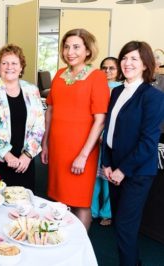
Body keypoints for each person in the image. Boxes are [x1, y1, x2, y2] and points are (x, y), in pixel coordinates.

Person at [101, 41, 164, 266]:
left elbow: (148, 142)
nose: (127, 63)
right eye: (125, 58)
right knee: (121, 224)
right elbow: (111, 131)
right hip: (114, 168)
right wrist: (107, 163)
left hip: (136, 173)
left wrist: (122, 170)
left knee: (126, 227)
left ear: (146, 65)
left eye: (134, 59)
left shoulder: (152, 96)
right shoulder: (117, 91)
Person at [41, 28, 110, 231]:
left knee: (80, 202)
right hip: (58, 147)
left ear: (88, 51)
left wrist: (83, 155)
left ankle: (80, 251)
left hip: (82, 149)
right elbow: (50, 110)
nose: (70, 51)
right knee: (58, 199)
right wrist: (45, 143)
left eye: (77, 47)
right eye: (67, 46)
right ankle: (60, 243)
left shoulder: (96, 77)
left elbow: (100, 120)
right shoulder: (60, 74)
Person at [0, 44, 45, 191]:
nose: (9, 67)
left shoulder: (32, 90)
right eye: (4, 63)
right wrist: (7, 155)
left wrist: (27, 155)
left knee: (22, 204)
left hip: (24, 160)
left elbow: (39, 125)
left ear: (21, 68)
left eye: (14, 63)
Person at [91, 57, 121, 226]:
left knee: (107, 177)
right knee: (94, 177)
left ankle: (107, 212)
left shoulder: (121, 89)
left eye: (112, 68)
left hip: (111, 139)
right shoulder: (96, 86)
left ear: (119, 71)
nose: (107, 72)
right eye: (104, 68)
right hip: (95, 137)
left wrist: (106, 134)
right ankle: (92, 210)